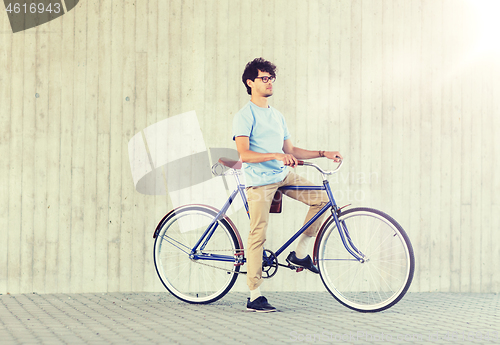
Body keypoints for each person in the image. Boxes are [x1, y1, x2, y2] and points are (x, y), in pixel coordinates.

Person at [232, 58, 343, 312]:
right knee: (257, 233)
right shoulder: (244, 116)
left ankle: (300, 254)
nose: (269, 82)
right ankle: (254, 294)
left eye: (271, 78)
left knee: (321, 199)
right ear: (250, 83)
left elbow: (291, 150)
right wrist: (276, 156)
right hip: (260, 181)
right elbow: (245, 155)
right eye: (264, 78)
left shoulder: (277, 116)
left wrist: (323, 152)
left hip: (282, 175)